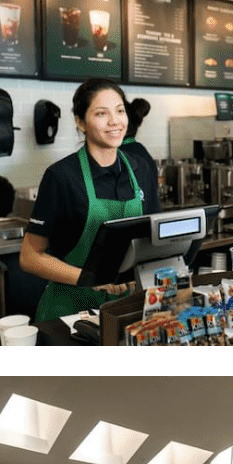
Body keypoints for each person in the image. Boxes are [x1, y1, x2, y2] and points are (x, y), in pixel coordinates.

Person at [21, 79, 160, 322]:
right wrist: (89, 279)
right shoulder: (61, 177)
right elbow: (30, 257)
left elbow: (153, 238)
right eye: (101, 113)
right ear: (80, 122)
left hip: (127, 309)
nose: (115, 121)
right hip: (69, 314)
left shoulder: (141, 171)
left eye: (119, 111)